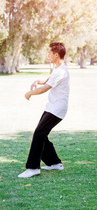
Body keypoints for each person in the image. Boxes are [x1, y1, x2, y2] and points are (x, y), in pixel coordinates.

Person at [18, 42, 70, 178]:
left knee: (38, 134)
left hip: (57, 109)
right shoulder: (59, 69)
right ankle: (54, 163)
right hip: (52, 108)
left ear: (56, 55)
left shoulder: (61, 71)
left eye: (49, 53)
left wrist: (30, 93)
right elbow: (47, 80)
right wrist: (37, 80)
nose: (47, 55)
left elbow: (45, 88)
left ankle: (33, 167)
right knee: (41, 134)